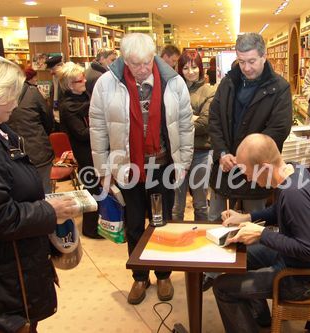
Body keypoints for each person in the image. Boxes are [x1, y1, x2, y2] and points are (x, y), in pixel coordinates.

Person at [0, 54, 80, 333]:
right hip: (3, 271)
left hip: (13, 262)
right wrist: (49, 211)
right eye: (10, 96)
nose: (16, 104)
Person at [89, 33, 193, 305]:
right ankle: (139, 276)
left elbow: (185, 125)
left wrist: (182, 163)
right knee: (134, 223)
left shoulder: (174, 82)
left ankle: (163, 274)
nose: (144, 68)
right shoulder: (106, 84)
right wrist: (103, 169)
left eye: (147, 62)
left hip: (162, 166)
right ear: (124, 59)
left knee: (161, 222)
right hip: (127, 167)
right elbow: (98, 126)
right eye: (136, 64)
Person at [212, 133, 310, 333]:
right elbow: (279, 211)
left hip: (305, 278)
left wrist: (262, 234)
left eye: (248, 173)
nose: (247, 178)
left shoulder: (294, 194)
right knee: (238, 254)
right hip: (294, 260)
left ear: (265, 168)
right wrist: (247, 217)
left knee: (222, 287)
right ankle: (261, 316)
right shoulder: (293, 171)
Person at [208, 32, 292, 222]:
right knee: (215, 220)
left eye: (252, 61)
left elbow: (278, 129)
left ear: (264, 56)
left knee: (252, 223)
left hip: (257, 173)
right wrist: (221, 152)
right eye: (241, 61)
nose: (246, 67)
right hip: (224, 167)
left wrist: (248, 158)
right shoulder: (228, 82)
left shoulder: (280, 88)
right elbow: (215, 120)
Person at [57, 62, 102, 239]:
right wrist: (101, 126)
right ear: (69, 85)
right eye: (80, 80)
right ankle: (89, 229)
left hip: (94, 150)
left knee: (98, 189)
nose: (85, 81)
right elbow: (81, 134)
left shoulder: (85, 98)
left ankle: (98, 224)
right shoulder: (68, 106)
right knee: (92, 190)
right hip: (84, 153)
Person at [172, 50, 216, 221]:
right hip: (178, 153)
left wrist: (179, 122)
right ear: (180, 69)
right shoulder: (173, 89)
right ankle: (176, 241)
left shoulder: (209, 90)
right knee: (176, 205)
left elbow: (205, 123)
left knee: (200, 204)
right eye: (185, 68)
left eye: (194, 67)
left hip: (201, 153)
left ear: (201, 68)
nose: (190, 72)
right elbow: (167, 120)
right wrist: (192, 117)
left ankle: (201, 241)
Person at [7, 66, 54, 194]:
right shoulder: (32, 92)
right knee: (45, 192)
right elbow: (48, 119)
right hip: (38, 150)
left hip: (12, 153)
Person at [46, 55, 64, 131]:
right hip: (56, 116)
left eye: (53, 69)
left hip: (63, 116)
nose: (51, 72)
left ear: (60, 66)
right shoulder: (55, 78)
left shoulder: (66, 78)